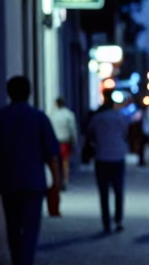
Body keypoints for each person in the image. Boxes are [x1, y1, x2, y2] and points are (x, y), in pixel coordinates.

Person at [0, 75, 61, 265]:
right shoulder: (39, 117)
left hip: (9, 182)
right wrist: (56, 182)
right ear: (29, 92)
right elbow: (52, 153)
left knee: (13, 229)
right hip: (34, 182)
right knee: (31, 229)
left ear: (9, 92)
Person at [85, 88, 129, 234]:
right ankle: (119, 220)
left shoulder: (97, 118)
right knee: (118, 190)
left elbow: (90, 134)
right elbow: (125, 132)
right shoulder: (121, 117)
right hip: (118, 155)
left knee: (103, 191)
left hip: (102, 156)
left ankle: (106, 222)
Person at [50, 97, 78, 190]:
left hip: (54, 141)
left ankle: (57, 180)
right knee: (65, 162)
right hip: (65, 142)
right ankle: (64, 180)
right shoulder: (69, 115)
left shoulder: (52, 115)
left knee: (56, 163)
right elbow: (72, 130)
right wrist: (74, 141)